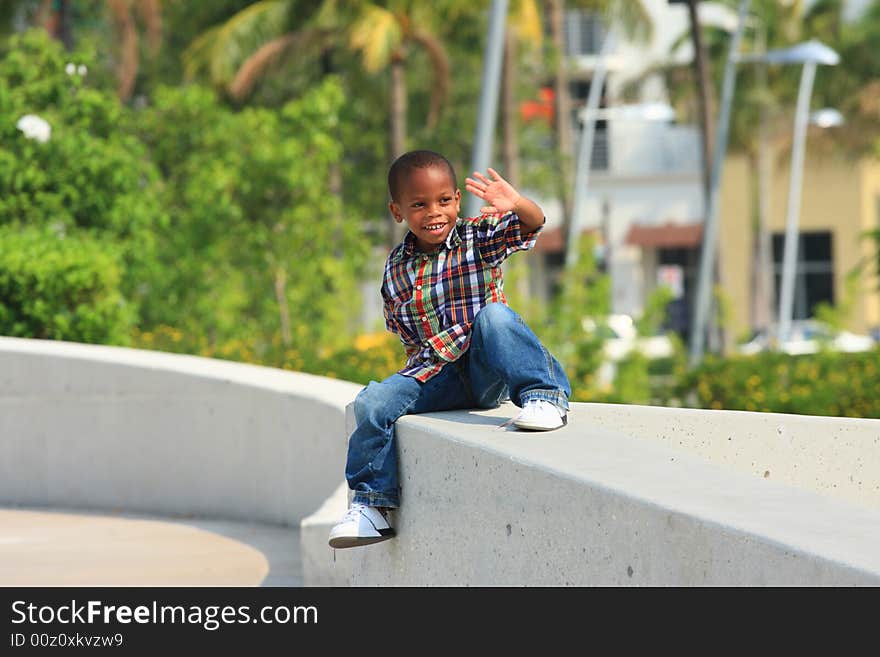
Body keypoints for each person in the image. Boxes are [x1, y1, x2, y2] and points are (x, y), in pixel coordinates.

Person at [328, 150, 571, 549]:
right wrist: (401, 393)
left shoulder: (478, 237)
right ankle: (372, 507)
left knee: (495, 317)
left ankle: (545, 396)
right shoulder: (395, 268)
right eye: (419, 205)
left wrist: (518, 204)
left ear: (458, 200)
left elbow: (532, 224)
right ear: (397, 210)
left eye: (443, 201)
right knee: (371, 403)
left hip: (485, 367)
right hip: (436, 375)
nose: (433, 212)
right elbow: (407, 338)